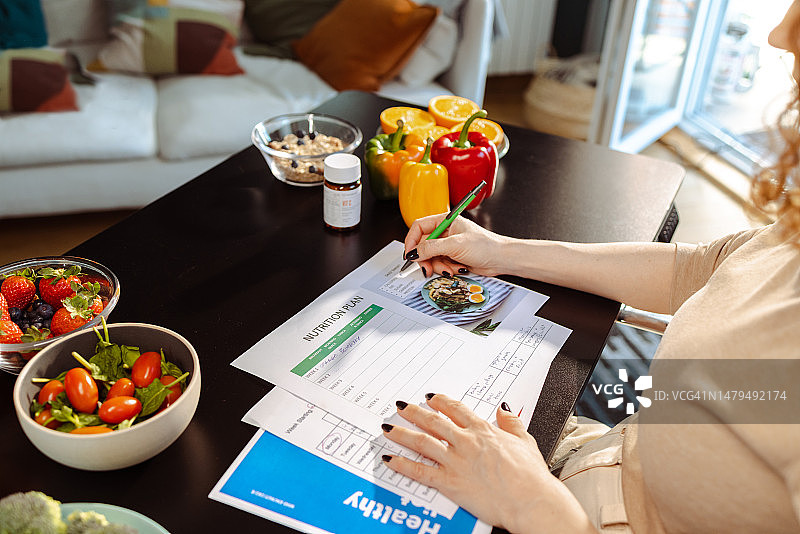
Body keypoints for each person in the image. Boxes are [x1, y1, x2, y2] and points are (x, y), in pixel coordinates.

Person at [377, 3, 800, 533]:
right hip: (603, 456)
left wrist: (532, 504)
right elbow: (700, 270)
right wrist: (502, 250)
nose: (779, 34)